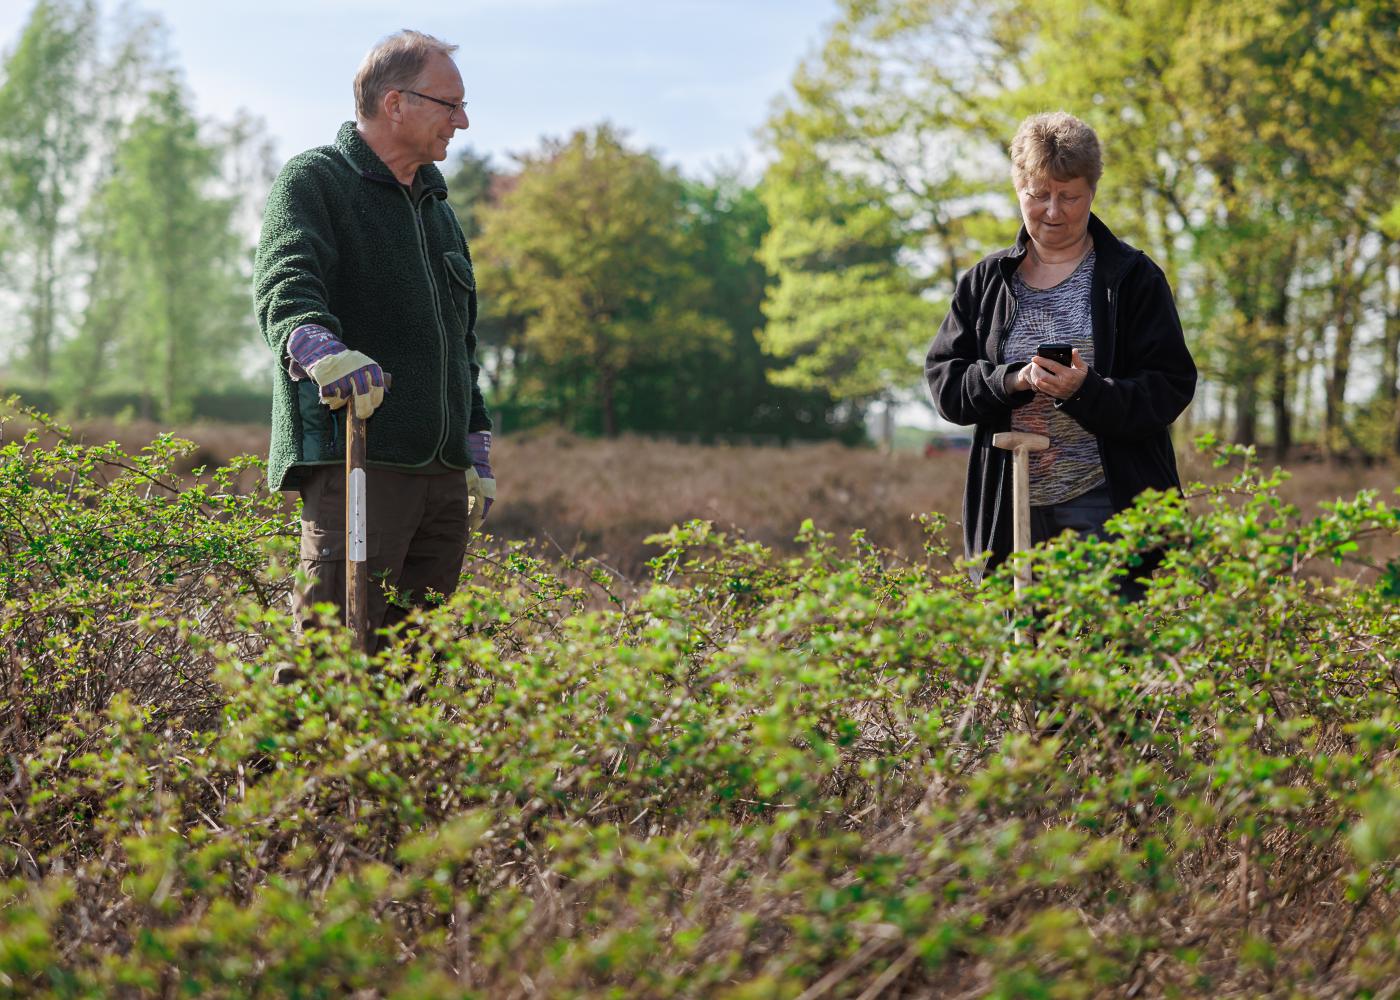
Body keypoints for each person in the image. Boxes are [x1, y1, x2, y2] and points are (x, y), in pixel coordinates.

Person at [254, 30, 494, 647]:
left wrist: (474, 439)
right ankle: (288, 753)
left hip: (440, 473)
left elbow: (459, 342)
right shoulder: (316, 180)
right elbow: (287, 283)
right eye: (450, 104)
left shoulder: (439, 210)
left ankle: (385, 753)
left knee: (411, 665)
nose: (462, 122)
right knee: (332, 656)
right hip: (357, 457)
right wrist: (319, 349)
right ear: (396, 102)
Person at [924, 111, 1195, 590]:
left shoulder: (1133, 278)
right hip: (1010, 511)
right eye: (1038, 195)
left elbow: (1170, 386)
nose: (1053, 211)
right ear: (1017, 188)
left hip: (1111, 508)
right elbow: (947, 384)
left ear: (1093, 191)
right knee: (1026, 658)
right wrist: (1011, 380)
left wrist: (1086, 391)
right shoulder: (986, 283)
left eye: (1069, 196)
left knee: (1111, 655)